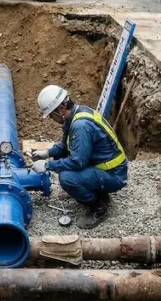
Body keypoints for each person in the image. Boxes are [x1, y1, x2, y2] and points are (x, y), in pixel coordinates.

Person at [30, 85, 128, 228]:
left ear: (61, 109)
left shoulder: (80, 126)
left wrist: (47, 165)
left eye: (51, 114)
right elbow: (65, 146)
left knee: (67, 178)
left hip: (114, 175)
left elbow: (78, 162)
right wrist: (47, 153)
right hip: (107, 169)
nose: (51, 118)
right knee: (61, 160)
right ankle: (99, 191)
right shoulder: (77, 115)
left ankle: (99, 209)